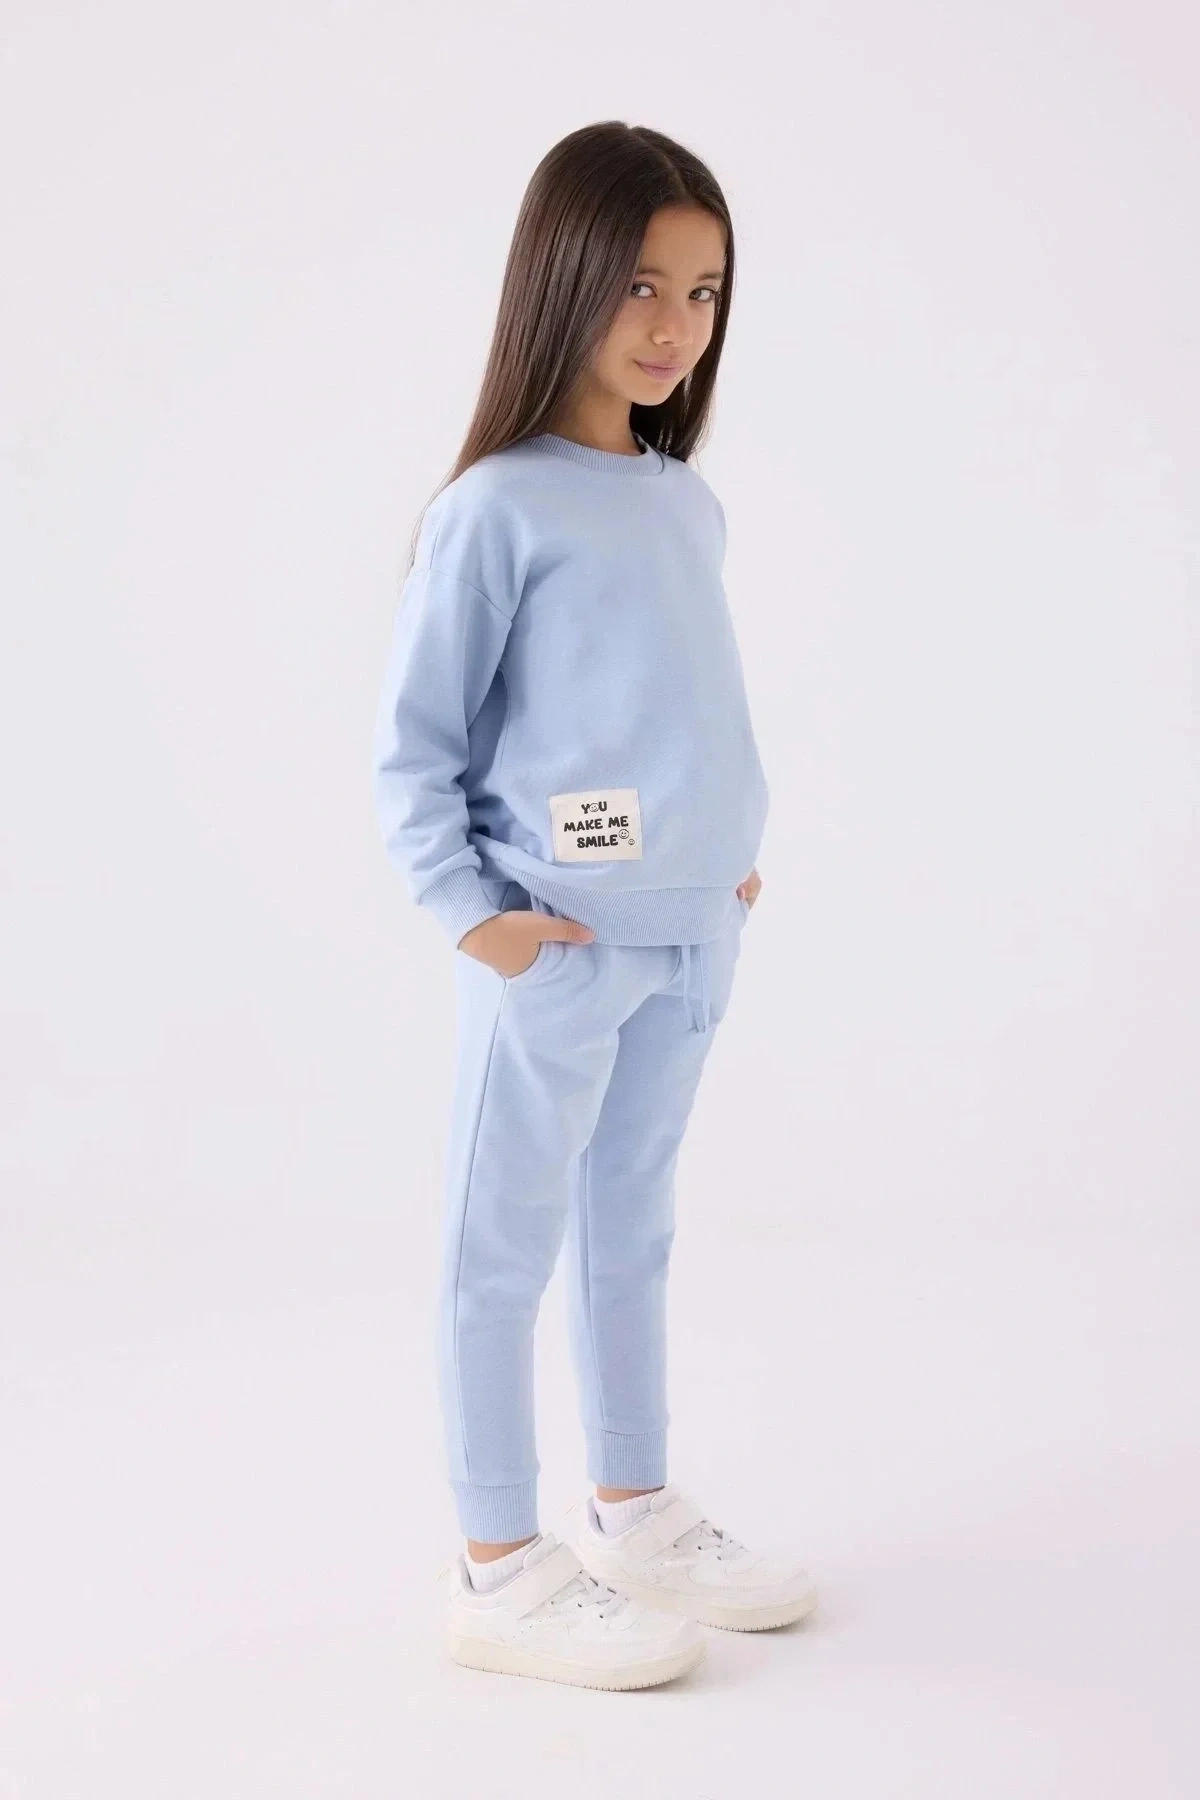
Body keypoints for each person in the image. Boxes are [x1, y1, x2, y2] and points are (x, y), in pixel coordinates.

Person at [371, 120, 817, 1691]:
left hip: (692, 940)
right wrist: (474, 913)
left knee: (634, 1229)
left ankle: (633, 1506)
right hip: (554, 947)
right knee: (497, 1249)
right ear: (561, 277)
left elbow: (671, 701)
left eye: (702, 291)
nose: (673, 323)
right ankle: (498, 1564)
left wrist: (721, 856)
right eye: (639, 283)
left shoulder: (685, 503)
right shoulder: (497, 508)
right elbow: (415, 746)